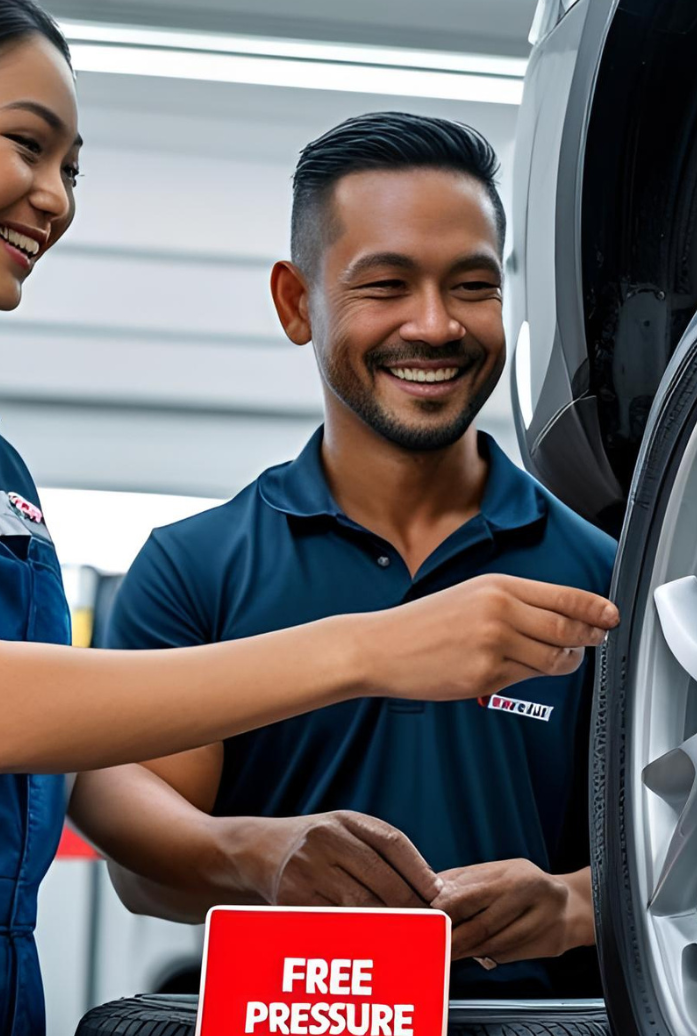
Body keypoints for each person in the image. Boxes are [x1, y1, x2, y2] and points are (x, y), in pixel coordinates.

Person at [0, 0, 617, 1036]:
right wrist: (376, 650)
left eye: (70, 168)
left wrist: (260, 849)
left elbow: (70, 749)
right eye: (28, 145)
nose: (55, 196)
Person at [68, 113, 617, 997]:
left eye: (471, 286)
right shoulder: (196, 567)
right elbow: (144, 865)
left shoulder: (603, 576)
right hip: (284, 1017)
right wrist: (257, 853)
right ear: (297, 303)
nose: (435, 326)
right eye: (387, 285)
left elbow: (694, 841)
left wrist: (571, 904)